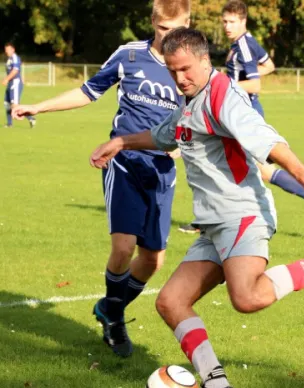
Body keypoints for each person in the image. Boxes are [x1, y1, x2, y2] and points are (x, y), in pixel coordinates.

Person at [89, 27, 304, 388]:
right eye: (173, 71)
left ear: (205, 60)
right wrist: (121, 140)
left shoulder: (223, 96)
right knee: (170, 301)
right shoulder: (190, 101)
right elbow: (164, 135)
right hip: (213, 225)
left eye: (186, 69)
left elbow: (267, 140)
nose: (179, 78)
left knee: (248, 298)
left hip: (243, 215)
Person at [12, 0, 191, 358]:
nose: (167, 38)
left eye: (174, 30)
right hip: (122, 160)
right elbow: (88, 90)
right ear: (152, 23)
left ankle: (110, 308)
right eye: (161, 30)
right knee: (123, 247)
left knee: (153, 259)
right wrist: (39, 106)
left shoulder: (191, 66)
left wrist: (181, 147)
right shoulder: (129, 55)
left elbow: (200, 115)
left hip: (161, 171)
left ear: (188, 23)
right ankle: (115, 319)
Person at [178, 0, 304, 235]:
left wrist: (222, 86)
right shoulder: (244, 44)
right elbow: (269, 65)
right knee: (259, 170)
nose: (227, 27)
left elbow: (255, 83)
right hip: (235, 115)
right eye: (224, 22)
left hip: (241, 116)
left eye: (232, 22)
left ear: (243, 21)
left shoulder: (243, 47)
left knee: (225, 162)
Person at [3, 42, 36, 128]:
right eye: (6, 50)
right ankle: (9, 124)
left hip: (15, 83)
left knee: (15, 106)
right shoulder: (9, 59)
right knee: (7, 104)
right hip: (11, 83)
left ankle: (31, 118)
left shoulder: (15, 57)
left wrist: (6, 79)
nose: (7, 51)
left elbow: (15, 70)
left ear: (13, 49)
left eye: (8, 49)